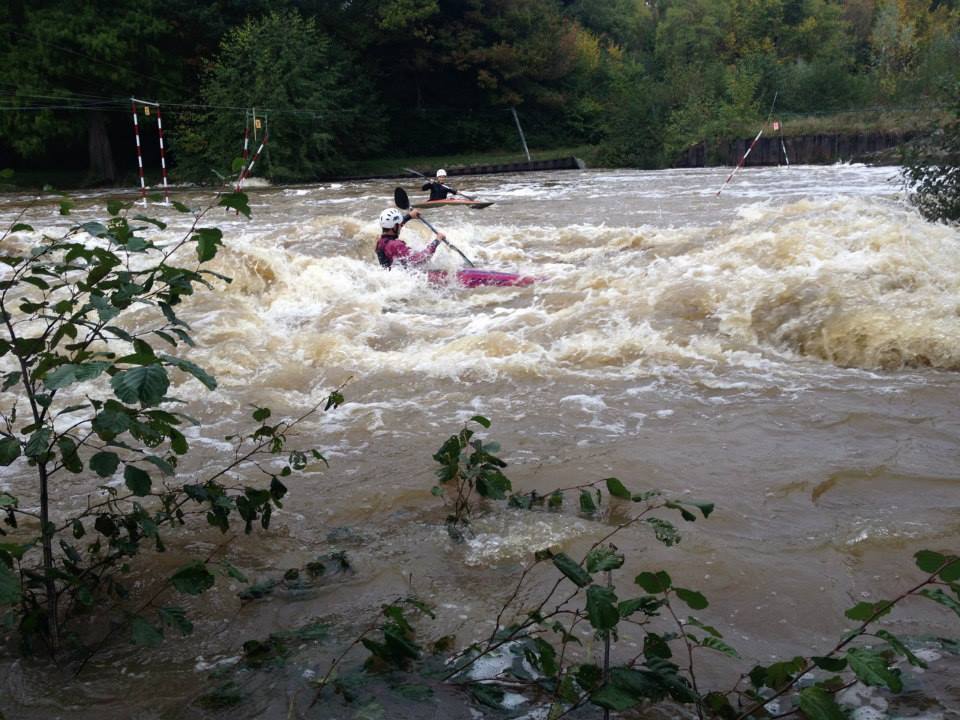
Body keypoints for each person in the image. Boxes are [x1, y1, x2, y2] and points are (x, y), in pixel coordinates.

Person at [374, 207, 446, 269]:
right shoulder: (395, 245)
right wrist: (436, 241)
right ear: (394, 227)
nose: (401, 226)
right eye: (399, 225)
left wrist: (410, 216)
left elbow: (397, 225)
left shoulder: (380, 242)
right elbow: (420, 259)